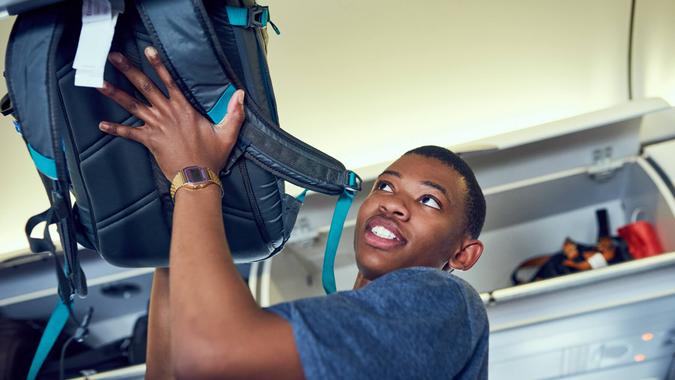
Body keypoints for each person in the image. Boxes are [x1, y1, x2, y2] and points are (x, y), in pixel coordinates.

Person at [97, 46, 489, 380]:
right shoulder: (335, 333)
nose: (393, 204)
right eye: (385, 186)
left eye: (429, 201)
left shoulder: (445, 300)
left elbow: (209, 353)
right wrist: (176, 195)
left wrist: (194, 176)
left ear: (463, 254)